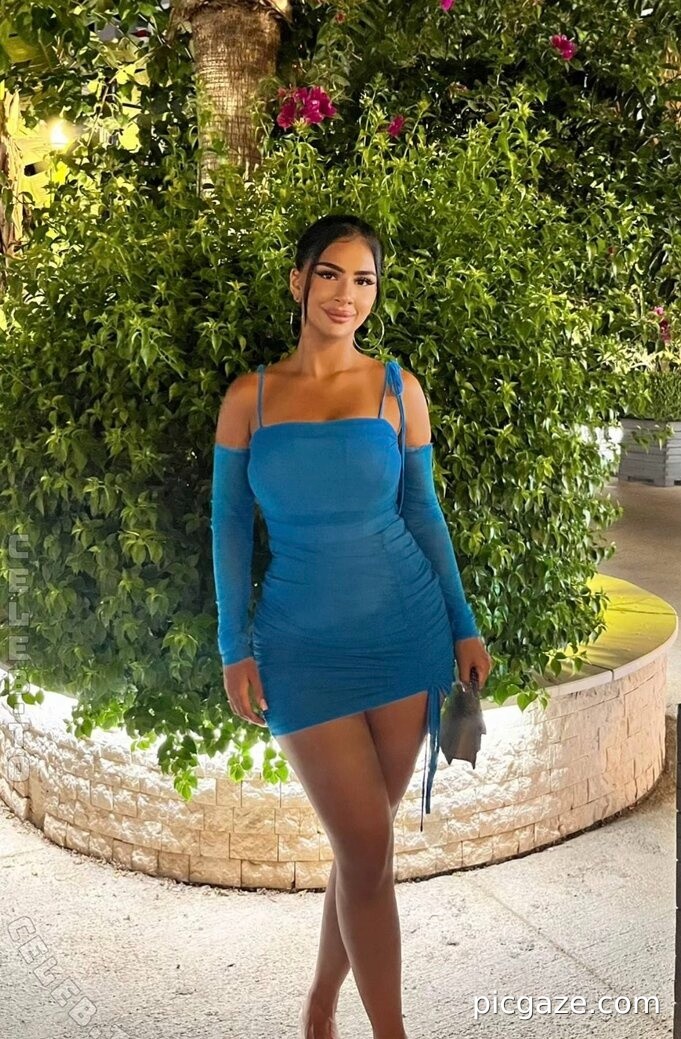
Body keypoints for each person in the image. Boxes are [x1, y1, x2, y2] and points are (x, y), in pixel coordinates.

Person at [211, 214, 493, 1039]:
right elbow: (228, 526)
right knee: (367, 849)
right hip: (300, 650)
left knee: (362, 853)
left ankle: (321, 1002)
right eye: (330, 274)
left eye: (363, 280)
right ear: (298, 281)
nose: (346, 294)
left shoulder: (398, 390)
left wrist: (461, 625)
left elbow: (423, 512)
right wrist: (234, 647)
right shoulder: (250, 398)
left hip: (406, 636)